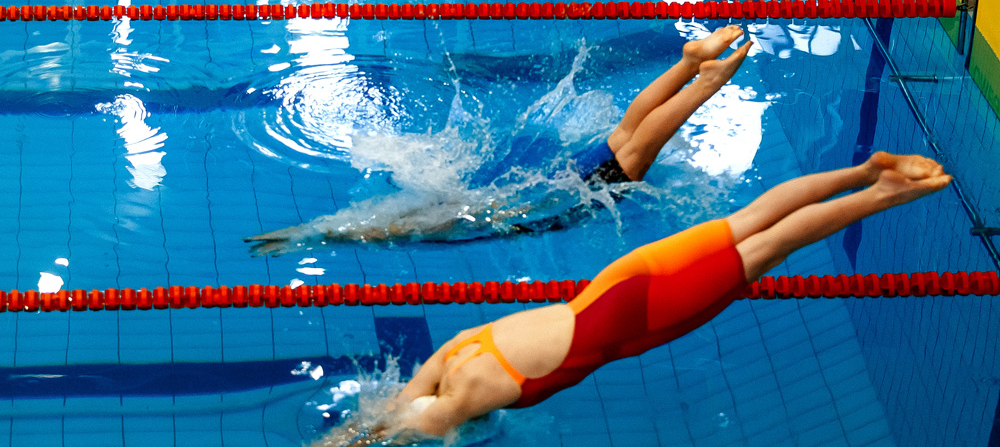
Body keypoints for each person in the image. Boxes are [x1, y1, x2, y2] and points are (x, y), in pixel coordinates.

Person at [322, 151, 950, 444]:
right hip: (618, 281)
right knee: (754, 219)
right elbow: (380, 419)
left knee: (766, 252)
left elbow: (398, 428)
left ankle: (884, 193)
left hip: (636, 315)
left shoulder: (446, 408)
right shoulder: (450, 357)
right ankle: (866, 171)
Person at [244, 26, 751, 253]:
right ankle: (689, 63)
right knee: (625, 138)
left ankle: (699, 76)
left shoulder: (459, 219)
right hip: (561, 182)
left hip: (566, 183)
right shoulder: (457, 210)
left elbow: (380, 229)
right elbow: (378, 225)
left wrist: (313, 234)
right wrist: (312, 231)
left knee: (632, 149)